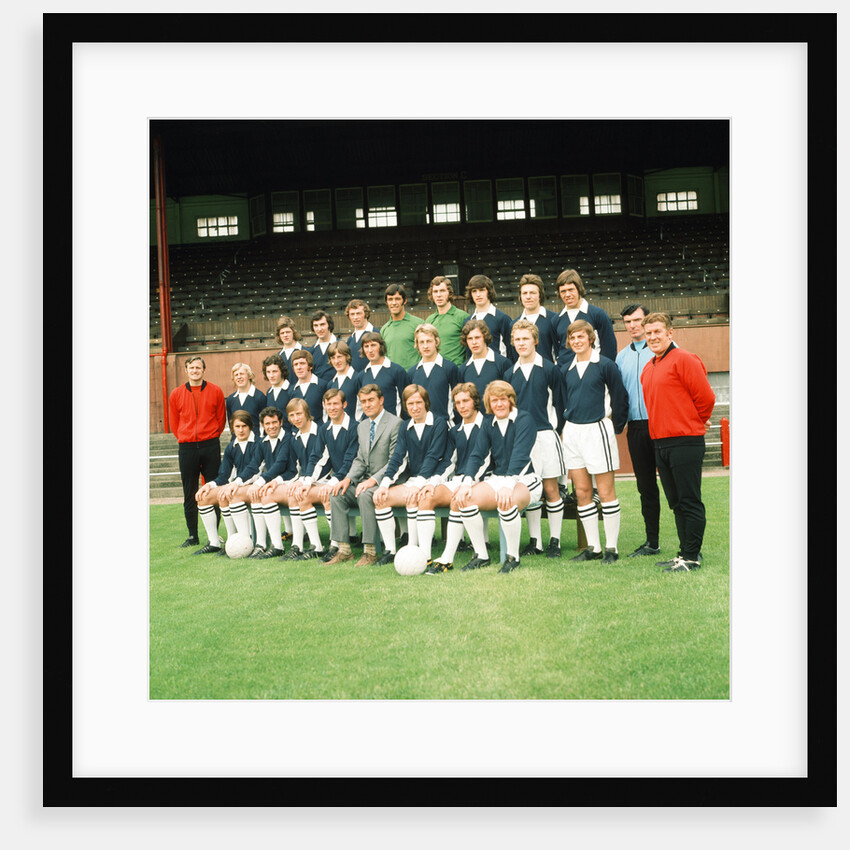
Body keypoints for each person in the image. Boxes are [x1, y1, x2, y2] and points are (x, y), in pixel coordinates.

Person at [640, 311, 716, 573]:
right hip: (660, 443)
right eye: (648, 333)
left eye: (657, 332)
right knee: (675, 502)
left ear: (670, 333)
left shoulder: (685, 359)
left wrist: (695, 421)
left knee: (689, 500)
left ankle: (692, 558)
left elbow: (706, 398)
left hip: (685, 441)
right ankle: (684, 553)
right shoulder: (649, 367)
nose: (653, 337)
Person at [452, 380, 542, 573]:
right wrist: (466, 482)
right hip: (498, 478)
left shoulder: (524, 419)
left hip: (526, 479)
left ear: (510, 400)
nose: (499, 404)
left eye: (503, 399)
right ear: (488, 403)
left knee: (506, 501)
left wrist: (509, 485)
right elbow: (477, 454)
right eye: (494, 400)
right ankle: (481, 555)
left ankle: (512, 557)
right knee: (465, 499)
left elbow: (521, 456)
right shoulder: (488, 423)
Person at [559, 320, 629, 564]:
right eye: (572, 338)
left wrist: (615, 427)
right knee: (582, 492)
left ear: (591, 338)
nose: (576, 341)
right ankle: (594, 547)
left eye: (581, 337)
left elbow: (620, 397)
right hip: (573, 431)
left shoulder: (605, 365)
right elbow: (562, 402)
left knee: (606, 492)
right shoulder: (566, 369)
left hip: (597, 429)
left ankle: (612, 548)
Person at [508, 319, 568, 559]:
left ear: (535, 340)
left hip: (545, 436)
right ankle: (536, 542)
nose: (521, 343)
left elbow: (560, 404)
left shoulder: (550, 369)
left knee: (551, 488)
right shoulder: (509, 373)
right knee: (529, 488)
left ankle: (555, 541)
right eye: (517, 339)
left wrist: (554, 430)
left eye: (525, 338)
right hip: (522, 440)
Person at [324, 383, 402, 566]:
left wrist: (373, 480)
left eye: (371, 400)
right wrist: (347, 479)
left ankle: (370, 551)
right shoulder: (363, 426)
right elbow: (360, 459)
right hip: (364, 480)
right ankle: (344, 550)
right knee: (337, 493)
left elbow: (394, 460)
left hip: (388, 481)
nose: (367, 405)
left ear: (381, 400)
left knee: (366, 494)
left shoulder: (395, 423)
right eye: (363, 401)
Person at [417, 382, 491, 574]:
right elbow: (448, 462)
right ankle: (424, 558)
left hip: (483, 480)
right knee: (426, 497)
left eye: (466, 401)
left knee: (458, 499)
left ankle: (447, 558)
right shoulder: (455, 431)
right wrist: (432, 482)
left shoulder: (488, 425)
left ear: (475, 401)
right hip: (459, 479)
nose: (462, 406)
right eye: (458, 402)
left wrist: (468, 483)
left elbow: (486, 460)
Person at [372, 385, 449, 565]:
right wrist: (384, 484)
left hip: (436, 479)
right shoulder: (406, 426)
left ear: (426, 403)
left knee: (414, 497)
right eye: (410, 403)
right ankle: (390, 550)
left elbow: (434, 456)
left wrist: (418, 484)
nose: (415, 407)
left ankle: (413, 548)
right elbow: (398, 457)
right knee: (381, 498)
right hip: (415, 479)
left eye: (418, 402)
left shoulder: (439, 423)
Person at [615, 304, 662, 558]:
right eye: (628, 321)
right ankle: (652, 542)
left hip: (662, 425)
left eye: (637, 320)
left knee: (675, 488)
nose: (633, 325)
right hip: (636, 428)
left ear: (646, 321)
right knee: (646, 488)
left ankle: (688, 546)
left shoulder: (663, 350)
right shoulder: (621, 357)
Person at [257, 398, 328, 561]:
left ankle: (308, 546)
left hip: (324, 481)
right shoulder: (295, 438)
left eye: (299, 414)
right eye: (292, 415)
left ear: (307, 413)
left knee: (297, 493)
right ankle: (279, 546)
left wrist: (305, 481)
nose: (296, 418)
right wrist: (276, 481)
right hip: (305, 480)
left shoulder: (321, 432)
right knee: (268, 494)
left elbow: (324, 462)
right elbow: (293, 470)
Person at [297, 387, 361, 564]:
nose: (332, 407)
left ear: (344, 404)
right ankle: (316, 547)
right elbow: (317, 457)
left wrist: (333, 482)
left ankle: (335, 545)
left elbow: (350, 460)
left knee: (329, 494)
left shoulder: (355, 427)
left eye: (335, 403)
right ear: (324, 405)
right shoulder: (325, 429)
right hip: (337, 478)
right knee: (304, 495)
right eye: (328, 404)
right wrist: (307, 481)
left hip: (355, 479)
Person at [168, 355, 226, 548]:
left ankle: (214, 535)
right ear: (186, 370)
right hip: (187, 448)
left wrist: (210, 435)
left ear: (203, 370)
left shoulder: (216, 391)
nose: (195, 371)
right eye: (191, 368)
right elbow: (174, 422)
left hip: (210, 445)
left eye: (198, 367)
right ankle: (193, 535)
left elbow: (220, 419)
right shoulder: (176, 394)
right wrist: (185, 437)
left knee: (214, 491)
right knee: (189, 491)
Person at [226, 407, 296, 559]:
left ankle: (277, 546)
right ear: (262, 425)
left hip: (291, 480)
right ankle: (257, 544)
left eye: (274, 422)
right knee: (237, 493)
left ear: (281, 422)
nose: (271, 426)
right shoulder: (263, 442)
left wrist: (260, 482)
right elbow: (253, 466)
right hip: (275, 482)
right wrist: (237, 482)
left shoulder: (288, 438)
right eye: (267, 423)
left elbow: (281, 464)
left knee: (264, 492)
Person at [192, 410, 258, 555]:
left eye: (244, 426)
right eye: (237, 426)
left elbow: (255, 469)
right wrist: (209, 485)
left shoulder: (259, 444)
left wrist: (235, 484)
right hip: (236, 486)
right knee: (203, 497)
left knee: (229, 493)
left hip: (256, 486)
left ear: (250, 426)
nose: (241, 430)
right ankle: (215, 542)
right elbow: (223, 475)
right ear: (232, 428)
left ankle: (241, 541)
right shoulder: (231, 447)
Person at [554, 268, 618, 368]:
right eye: (563, 291)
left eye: (571, 290)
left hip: (593, 371)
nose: (567, 295)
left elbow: (609, 349)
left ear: (579, 289)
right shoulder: (556, 320)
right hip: (565, 373)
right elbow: (558, 350)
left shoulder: (598, 314)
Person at [407, 323, 462, 424]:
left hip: (445, 425)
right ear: (417, 345)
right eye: (421, 342)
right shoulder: (412, 372)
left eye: (429, 341)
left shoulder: (450, 368)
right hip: (420, 426)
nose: (425, 346)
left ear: (436, 342)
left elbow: (457, 401)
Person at [354, 331, 410, 418]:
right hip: (369, 424)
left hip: (392, 424)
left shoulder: (397, 371)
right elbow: (359, 406)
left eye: (373, 345)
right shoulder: (361, 376)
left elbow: (406, 402)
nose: (370, 350)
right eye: (366, 346)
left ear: (381, 346)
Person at [510, 273, 560, 363]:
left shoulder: (554, 319)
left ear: (540, 295)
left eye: (532, 293)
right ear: (520, 296)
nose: (528, 297)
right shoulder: (514, 324)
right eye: (524, 293)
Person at [459, 319, 513, 402]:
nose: (474, 342)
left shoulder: (503, 363)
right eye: (470, 338)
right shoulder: (463, 369)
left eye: (477, 337)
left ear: (485, 337)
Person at [463, 274, 513, 359]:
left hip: (499, 366)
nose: (478, 295)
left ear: (489, 292)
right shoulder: (468, 321)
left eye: (481, 290)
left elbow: (511, 349)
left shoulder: (502, 318)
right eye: (474, 291)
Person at [424, 275, 467, 367]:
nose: (438, 295)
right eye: (435, 291)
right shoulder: (429, 320)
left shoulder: (462, 317)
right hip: (436, 370)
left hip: (456, 370)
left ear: (449, 293)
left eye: (442, 291)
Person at [379, 283, 423, 370]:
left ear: (405, 300)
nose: (394, 303)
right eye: (390, 299)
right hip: (393, 376)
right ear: (386, 302)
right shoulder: (384, 329)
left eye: (397, 299)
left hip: (414, 375)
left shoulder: (418, 324)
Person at [225, 362, 266, 440]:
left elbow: (265, 424)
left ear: (249, 376)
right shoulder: (230, 399)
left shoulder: (260, 397)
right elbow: (231, 424)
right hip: (237, 442)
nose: (239, 377)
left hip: (255, 442)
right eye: (236, 375)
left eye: (242, 374)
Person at [288, 349, 329, 426]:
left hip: (319, 430)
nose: (299, 367)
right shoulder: (292, 390)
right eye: (296, 364)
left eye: (302, 363)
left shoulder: (323, 386)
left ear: (310, 366)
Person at [325, 339, 360, 419]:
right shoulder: (331, 384)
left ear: (347, 357)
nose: (336, 361)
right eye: (333, 358)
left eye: (339, 357)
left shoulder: (358, 379)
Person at [344, 298, 375, 373]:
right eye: (352, 314)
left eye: (358, 313)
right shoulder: (350, 339)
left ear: (366, 314)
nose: (355, 317)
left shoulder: (376, 334)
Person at [308, 310, 338, 382]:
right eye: (316, 325)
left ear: (329, 325)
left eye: (322, 324)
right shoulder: (311, 351)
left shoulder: (342, 346)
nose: (319, 329)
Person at [261, 353, 292, 420]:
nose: (271, 375)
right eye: (268, 372)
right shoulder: (269, 392)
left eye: (274, 371)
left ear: (282, 371)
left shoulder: (291, 390)